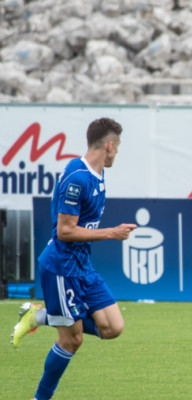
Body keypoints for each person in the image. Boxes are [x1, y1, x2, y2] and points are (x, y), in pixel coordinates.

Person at [10, 118, 136, 400]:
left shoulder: (97, 174)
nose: (117, 152)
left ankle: (40, 316)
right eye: (118, 146)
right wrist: (111, 233)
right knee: (71, 339)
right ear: (109, 145)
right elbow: (65, 231)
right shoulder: (77, 178)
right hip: (61, 267)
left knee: (113, 327)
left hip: (82, 266)